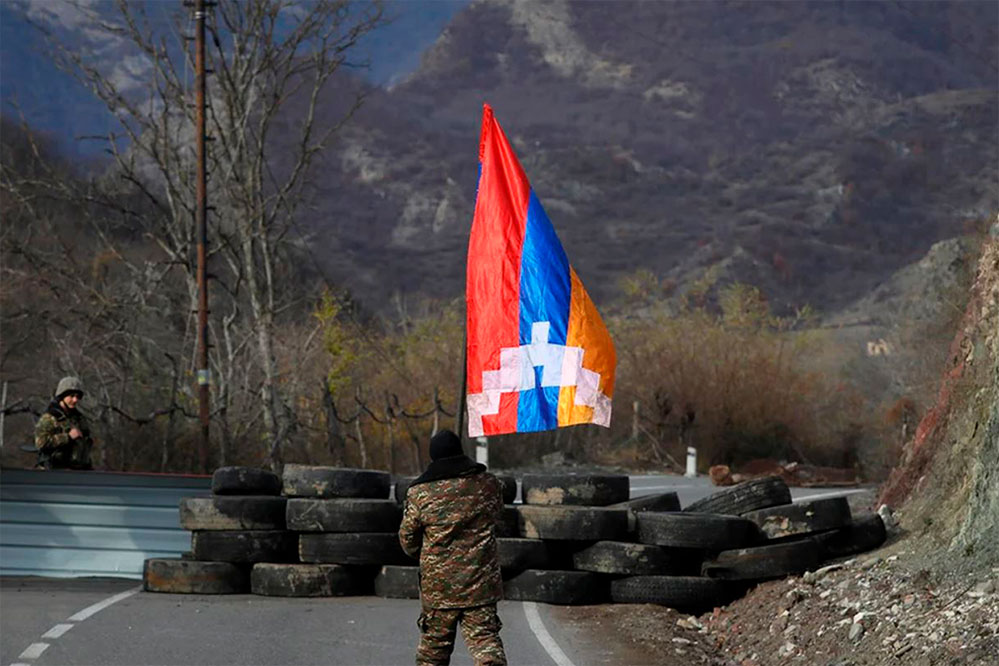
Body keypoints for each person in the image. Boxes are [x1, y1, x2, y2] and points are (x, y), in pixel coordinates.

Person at [398, 429, 506, 666]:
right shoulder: (489, 485)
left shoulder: (420, 493)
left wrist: (425, 554)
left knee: (433, 654)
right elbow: (499, 516)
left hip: (439, 589)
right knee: (486, 646)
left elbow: (408, 539)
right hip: (480, 583)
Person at [34, 376, 94, 470]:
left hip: (78, 471)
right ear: (62, 396)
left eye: (78, 397)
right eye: (71, 396)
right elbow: (41, 443)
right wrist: (67, 437)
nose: (75, 400)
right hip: (54, 471)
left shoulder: (79, 419)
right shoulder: (50, 418)